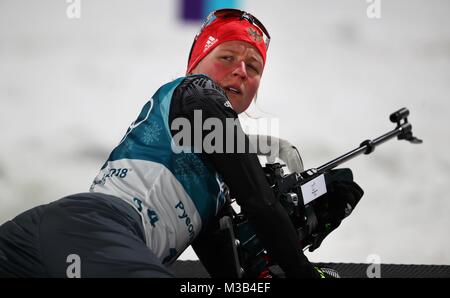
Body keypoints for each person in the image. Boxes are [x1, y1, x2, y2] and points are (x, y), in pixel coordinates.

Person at [0, 9, 363, 278]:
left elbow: (231, 279)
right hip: (97, 229)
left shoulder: (214, 190)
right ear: (196, 65)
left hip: (35, 239)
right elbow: (259, 201)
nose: (241, 70)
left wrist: (275, 259)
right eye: (227, 57)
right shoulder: (195, 92)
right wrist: (303, 271)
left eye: (253, 67)